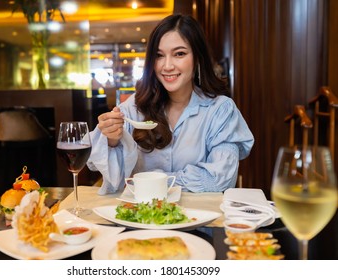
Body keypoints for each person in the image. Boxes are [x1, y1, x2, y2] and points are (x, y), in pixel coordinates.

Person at [87, 14, 254, 195]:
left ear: (197, 57)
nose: (167, 66)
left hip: (199, 219)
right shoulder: (134, 107)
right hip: (142, 219)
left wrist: (155, 180)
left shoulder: (220, 110)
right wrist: (112, 141)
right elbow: (113, 180)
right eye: (159, 56)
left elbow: (219, 179)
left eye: (179, 54)